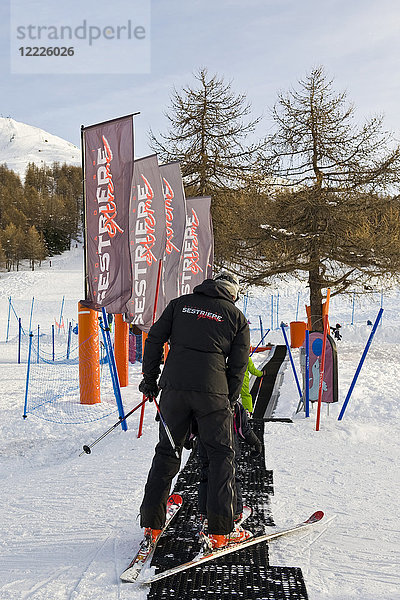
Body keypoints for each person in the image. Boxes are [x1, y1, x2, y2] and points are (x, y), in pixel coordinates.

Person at [138, 271, 250, 549]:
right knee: (221, 456)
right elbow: (239, 366)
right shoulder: (236, 317)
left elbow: (153, 339)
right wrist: (230, 399)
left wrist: (150, 380)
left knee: (167, 452)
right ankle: (221, 530)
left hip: (173, 390)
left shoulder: (179, 304)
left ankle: (152, 524)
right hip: (213, 394)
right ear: (232, 293)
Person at [197, 400, 263, 527]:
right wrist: (255, 443)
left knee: (206, 475)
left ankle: (205, 513)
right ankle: (236, 512)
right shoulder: (234, 404)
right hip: (228, 445)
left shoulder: (200, 401)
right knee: (231, 477)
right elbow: (243, 429)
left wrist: (188, 439)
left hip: (205, 445)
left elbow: (192, 425)